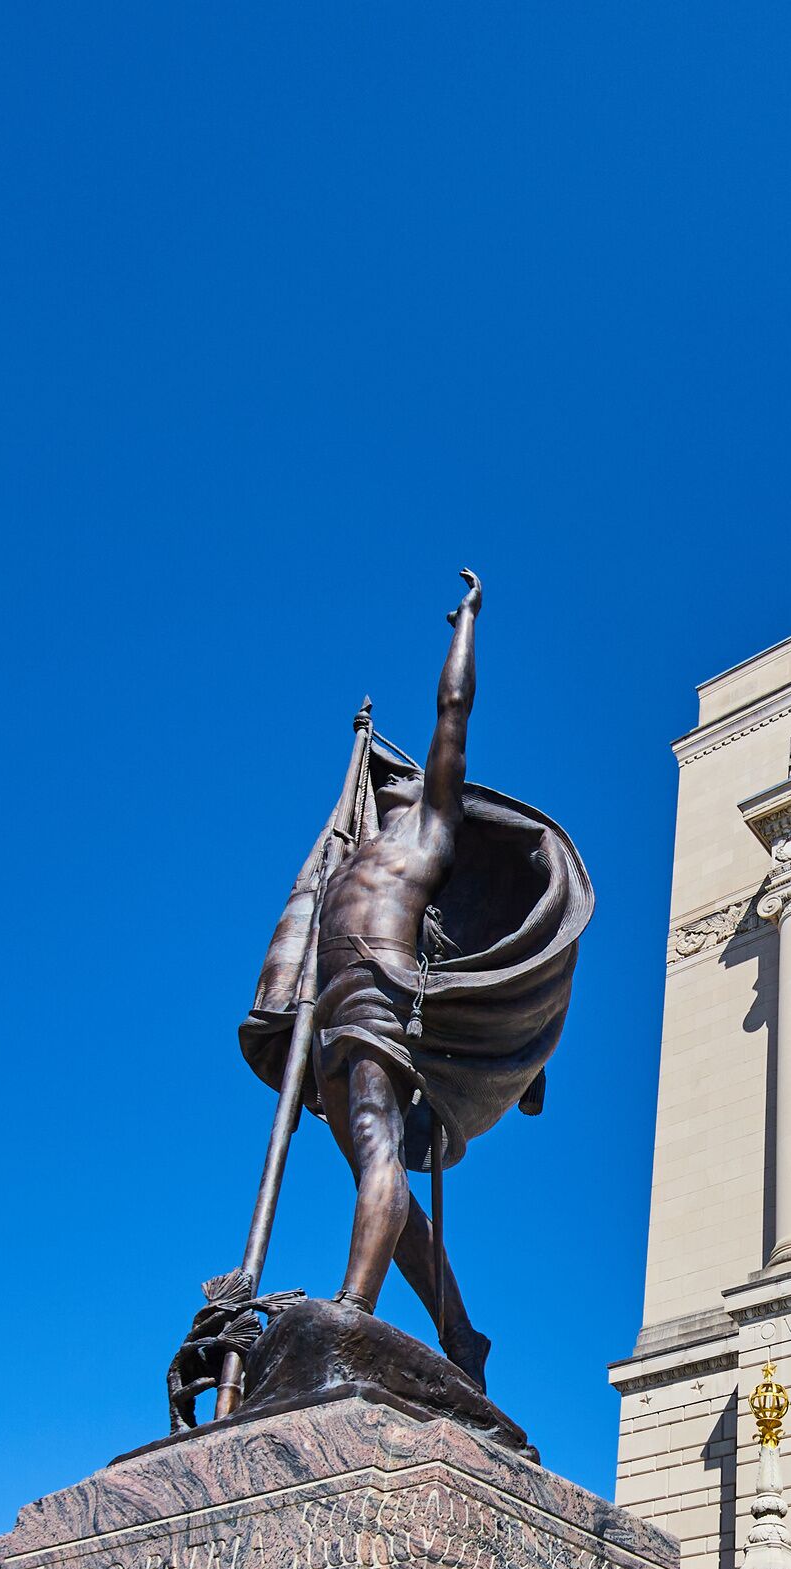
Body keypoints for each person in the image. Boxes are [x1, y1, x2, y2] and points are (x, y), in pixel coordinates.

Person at [240, 575, 590, 1384]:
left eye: (403, 777)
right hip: (326, 1009)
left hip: (377, 990)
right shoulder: (349, 853)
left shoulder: (429, 832)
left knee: (375, 1145)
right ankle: (462, 1336)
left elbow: (451, 716)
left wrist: (463, 625)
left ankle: (350, 1310)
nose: (389, 780)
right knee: (380, 1168)